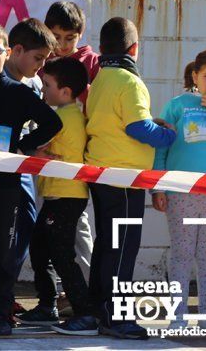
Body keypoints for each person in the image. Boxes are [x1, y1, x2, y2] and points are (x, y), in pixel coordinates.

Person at [71, 17, 175, 339]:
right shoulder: (131, 82)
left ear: (102, 49)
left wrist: (149, 123)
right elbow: (137, 128)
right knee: (123, 250)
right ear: (135, 49)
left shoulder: (101, 78)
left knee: (106, 245)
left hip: (101, 175)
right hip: (127, 179)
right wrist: (168, 136)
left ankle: (101, 310)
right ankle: (118, 319)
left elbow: (117, 121)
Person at [0, 23, 62, 335]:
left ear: (7, 52)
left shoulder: (20, 92)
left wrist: (23, 146)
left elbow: (52, 122)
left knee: (6, 248)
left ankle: (0, 310)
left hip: (6, 182)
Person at [151, 50, 206, 336]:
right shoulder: (178, 105)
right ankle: (178, 317)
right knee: (182, 253)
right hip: (182, 192)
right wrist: (158, 185)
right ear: (195, 76)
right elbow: (162, 146)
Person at [19, 57, 93, 331]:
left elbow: (33, 142)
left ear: (65, 92)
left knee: (61, 255)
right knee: (40, 249)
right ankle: (47, 306)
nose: (43, 90)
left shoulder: (62, 117)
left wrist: (28, 148)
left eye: (47, 85)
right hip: (57, 195)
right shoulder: (72, 113)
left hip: (65, 196)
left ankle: (84, 312)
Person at [0, 17, 57, 317]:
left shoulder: (33, 82)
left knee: (22, 233)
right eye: (37, 58)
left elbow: (41, 124)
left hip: (24, 170)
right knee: (1, 237)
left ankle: (2, 295)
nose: (40, 66)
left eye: (44, 60)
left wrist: (27, 146)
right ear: (16, 50)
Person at [43, 1, 96, 290]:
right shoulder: (42, 63)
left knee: (79, 228)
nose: (62, 45)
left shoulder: (91, 64)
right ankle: (54, 295)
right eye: (57, 37)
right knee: (50, 234)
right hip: (48, 163)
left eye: (70, 38)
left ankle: (85, 290)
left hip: (77, 163)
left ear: (81, 34)